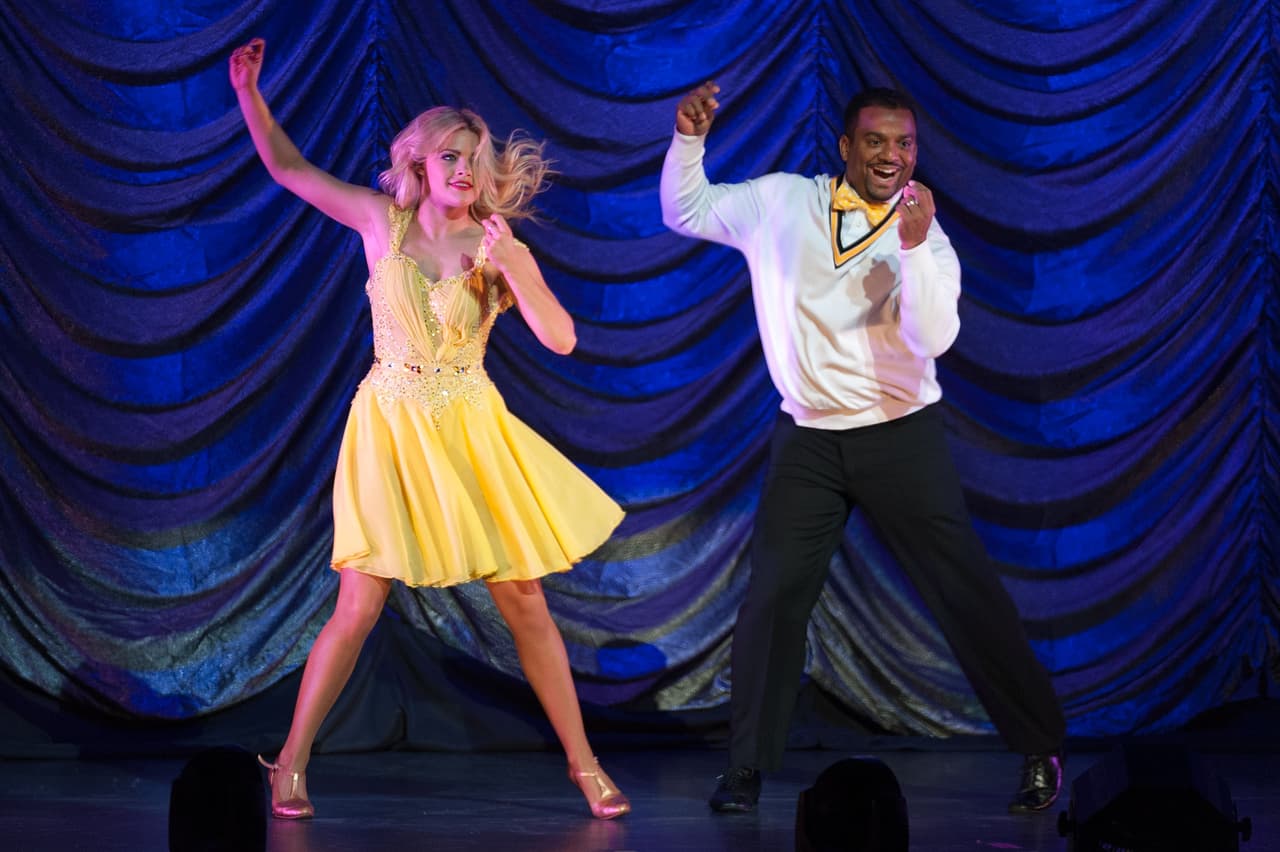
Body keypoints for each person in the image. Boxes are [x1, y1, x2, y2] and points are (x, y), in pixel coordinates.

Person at [229, 38, 629, 821]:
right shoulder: (382, 221)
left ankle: (584, 764)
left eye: (473, 158)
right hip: (390, 422)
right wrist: (249, 93)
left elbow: (562, 338)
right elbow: (289, 170)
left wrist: (517, 268)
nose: (462, 168)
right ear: (419, 160)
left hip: (471, 426)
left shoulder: (495, 244)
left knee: (525, 600)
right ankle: (291, 762)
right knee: (359, 603)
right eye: (449, 155)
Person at [660, 82, 1067, 815]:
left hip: (900, 436)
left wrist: (910, 249)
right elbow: (685, 211)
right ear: (846, 146)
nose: (891, 156)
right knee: (773, 597)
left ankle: (1040, 747)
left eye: (904, 144)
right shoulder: (783, 202)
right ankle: (745, 767)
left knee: (964, 592)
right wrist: (689, 142)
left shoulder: (926, 237)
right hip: (809, 440)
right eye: (876, 141)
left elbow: (931, 338)